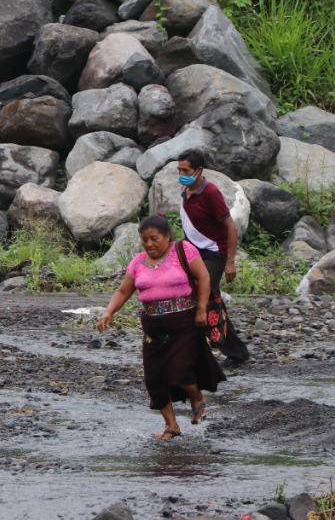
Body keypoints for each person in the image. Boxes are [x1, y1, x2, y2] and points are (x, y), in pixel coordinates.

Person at [97, 215, 226, 440]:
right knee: (154, 378)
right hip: (154, 328)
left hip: (185, 323)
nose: (149, 244)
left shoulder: (183, 251)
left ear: (167, 237)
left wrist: (201, 309)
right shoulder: (138, 262)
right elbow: (123, 291)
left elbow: (203, 277)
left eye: (154, 239)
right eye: (144, 240)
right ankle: (171, 426)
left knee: (180, 368)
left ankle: (197, 398)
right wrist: (108, 312)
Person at [176, 149, 252, 367]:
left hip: (214, 254)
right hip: (194, 252)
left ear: (199, 170)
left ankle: (232, 351)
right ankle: (228, 349)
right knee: (207, 299)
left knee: (204, 297)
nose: (181, 173)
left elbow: (230, 227)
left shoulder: (210, 193)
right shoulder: (185, 190)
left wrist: (230, 261)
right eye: (179, 169)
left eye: (186, 170)